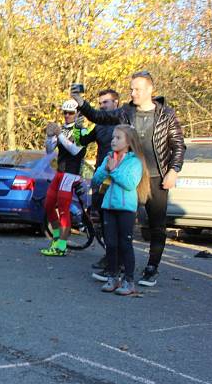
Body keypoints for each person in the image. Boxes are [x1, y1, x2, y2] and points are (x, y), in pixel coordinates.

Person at [72, 71, 185, 287]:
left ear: (150, 90)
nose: (132, 93)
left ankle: (151, 268)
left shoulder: (166, 114)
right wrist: (81, 103)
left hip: (156, 176)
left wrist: (173, 170)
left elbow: (178, 146)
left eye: (137, 89)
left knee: (156, 225)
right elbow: (99, 117)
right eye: (131, 89)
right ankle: (118, 267)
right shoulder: (126, 111)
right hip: (129, 174)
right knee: (119, 221)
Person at [92, 125, 151, 296]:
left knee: (125, 244)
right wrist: (106, 169)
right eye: (113, 137)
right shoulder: (109, 158)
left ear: (129, 142)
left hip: (126, 209)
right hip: (109, 207)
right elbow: (96, 179)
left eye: (118, 138)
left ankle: (129, 280)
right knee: (110, 244)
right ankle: (112, 277)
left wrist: (114, 170)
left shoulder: (135, 162)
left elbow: (130, 183)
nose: (113, 141)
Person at [78, 89, 120, 278]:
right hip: (100, 176)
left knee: (114, 218)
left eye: (106, 102)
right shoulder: (100, 126)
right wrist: (79, 128)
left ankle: (116, 260)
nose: (102, 106)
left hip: (117, 177)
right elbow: (83, 141)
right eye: (101, 103)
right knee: (100, 217)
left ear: (116, 103)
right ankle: (108, 255)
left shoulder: (123, 122)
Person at [40, 99, 88, 257]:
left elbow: (74, 150)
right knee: (48, 205)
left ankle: (61, 246)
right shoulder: (62, 130)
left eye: (70, 113)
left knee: (63, 208)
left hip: (72, 174)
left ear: (77, 113)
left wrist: (59, 134)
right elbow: (49, 151)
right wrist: (49, 136)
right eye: (64, 112)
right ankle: (56, 238)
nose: (67, 115)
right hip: (60, 172)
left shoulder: (80, 130)